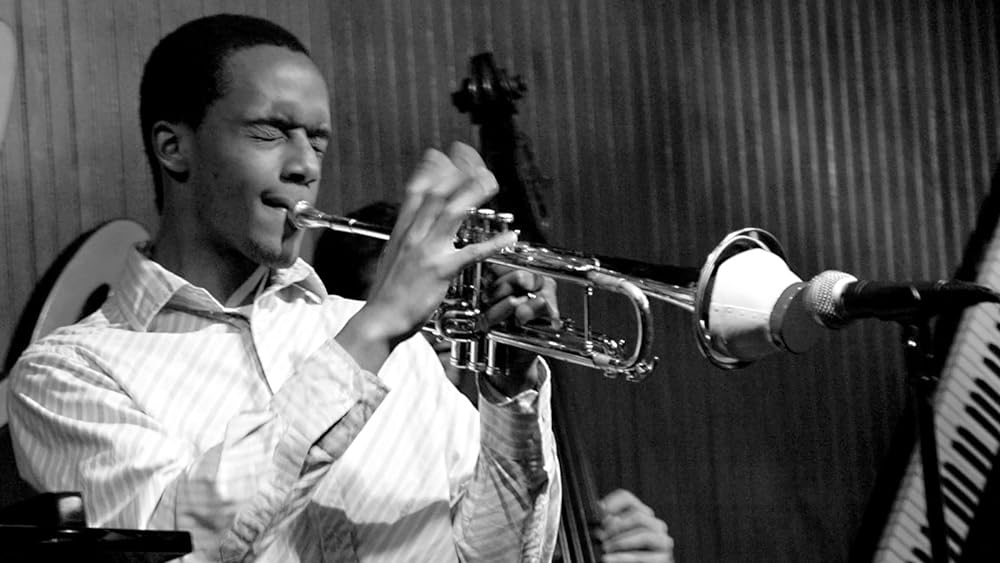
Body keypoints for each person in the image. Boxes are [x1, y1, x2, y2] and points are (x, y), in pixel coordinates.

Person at [7, 14, 562, 562]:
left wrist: (509, 394)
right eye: (270, 132)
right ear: (174, 147)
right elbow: (180, 541)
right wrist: (376, 328)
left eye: (317, 142)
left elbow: (503, 556)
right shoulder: (67, 372)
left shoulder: (400, 348)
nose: (304, 166)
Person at [315, 202, 675, 562]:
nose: (441, 323)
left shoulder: (488, 446)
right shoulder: (336, 466)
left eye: (447, 297)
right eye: (412, 307)